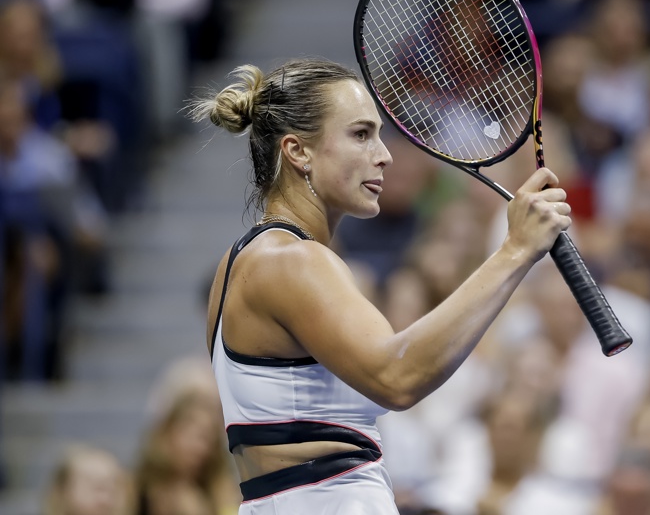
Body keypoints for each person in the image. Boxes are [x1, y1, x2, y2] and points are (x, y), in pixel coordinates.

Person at [190, 58, 573, 514]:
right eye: (360, 134)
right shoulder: (292, 261)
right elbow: (397, 377)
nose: (385, 153)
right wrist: (513, 251)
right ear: (298, 152)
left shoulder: (248, 261)